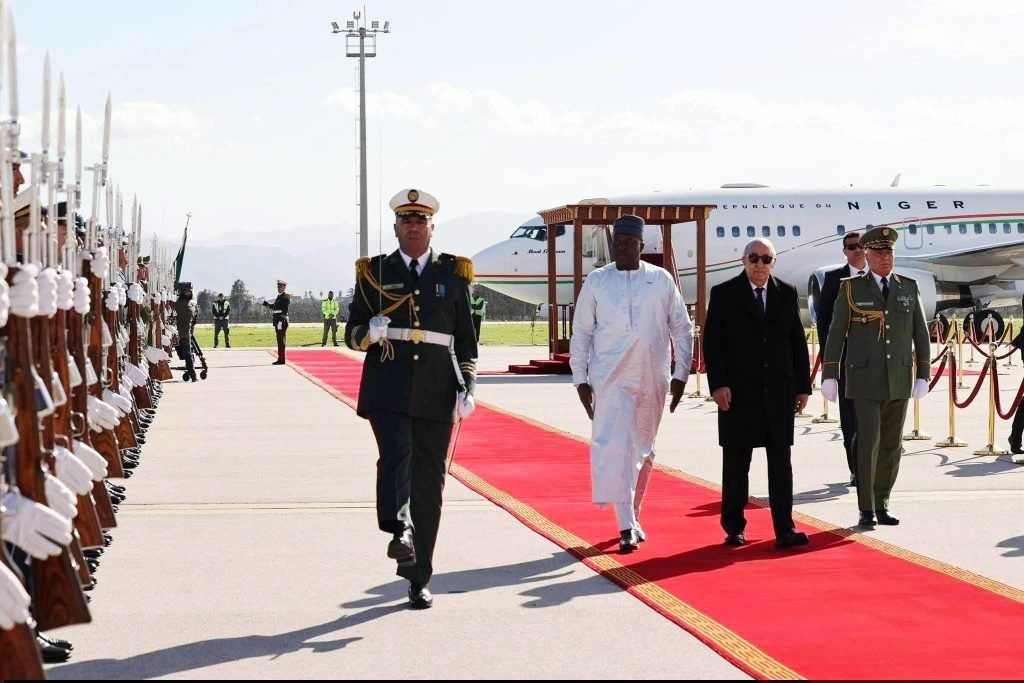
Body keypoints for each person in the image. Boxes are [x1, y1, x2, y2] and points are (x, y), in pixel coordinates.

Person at [344, 188, 477, 610]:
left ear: (432, 228)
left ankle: (419, 577)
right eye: (407, 221)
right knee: (397, 453)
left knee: (429, 484)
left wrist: (467, 386)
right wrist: (369, 334)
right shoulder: (374, 272)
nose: (414, 227)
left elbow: (466, 341)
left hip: (437, 388)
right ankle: (400, 528)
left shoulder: (453, 273)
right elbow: (351, 333)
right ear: (396, 228)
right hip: (388, 383)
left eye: (421, 221)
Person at [569, 214, 693, 552]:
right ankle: (625, 524)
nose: (622, 248)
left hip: (653, 376)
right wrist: (580, 379)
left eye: (628, 243)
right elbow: (581, 333)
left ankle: (633, 515)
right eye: (617, 243)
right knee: (619, 447)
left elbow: (681, 328)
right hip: (610, 379)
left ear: (641, 245)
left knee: (644, 448)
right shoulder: (598, 281)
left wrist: (681, 373)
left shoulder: (660, 280)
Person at [704, 237, 812, 548]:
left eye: (766, 259)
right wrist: (718, 385)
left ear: (773, 263)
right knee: (737, 464)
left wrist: (802, 387)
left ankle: (785, 529)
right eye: (754, 258)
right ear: (744, 261)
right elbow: (713, 345)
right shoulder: (724, 293)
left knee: (781, 463)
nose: (759, 265)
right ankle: (734, 527)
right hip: (738, 394)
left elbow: (797, 342)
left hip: (778, 393)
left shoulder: (786, 293)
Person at [821, 226, 930, 528]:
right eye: (879, 252)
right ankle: (866, 507)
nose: (885, 257)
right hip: (864, 379)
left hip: (899, 378)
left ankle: (882, 502)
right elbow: (836, 334)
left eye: (889, 251)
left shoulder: (908, 287)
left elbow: (921, 334)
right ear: (866, 255)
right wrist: (830, 374)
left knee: (892, 445)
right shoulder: (851, 288)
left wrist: (923, 373)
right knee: (868, 441)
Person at [815, 231, 867, 487]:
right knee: (850, 419)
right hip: (847, 362)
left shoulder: (879, 276)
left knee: (876, 420)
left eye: (861, 246)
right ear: (845, 252)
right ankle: (856, 469)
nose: (857, 250)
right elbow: (824, 323)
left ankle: (872, 468)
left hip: (876, 362)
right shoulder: (834, 279)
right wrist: (829, 367)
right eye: (852, 247)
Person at [262, 279, 290, 365]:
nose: (279, 288)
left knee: (281, 341)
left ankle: (282, 360)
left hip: (281, 321)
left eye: (280, 286)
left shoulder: (286, 296)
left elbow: (285, 310)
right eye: (278, 287)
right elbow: (275, 307)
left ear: (284, 287)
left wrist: (281, 321)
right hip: (277, 321)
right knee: (279, 340)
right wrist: (266, 304)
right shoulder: (279, 296)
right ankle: (280, 359)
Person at [174, 282, 198, 382]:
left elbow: (194, 319)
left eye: (189, 291)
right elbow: (195, 318)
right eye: (187, 291)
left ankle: (192, 375)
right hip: (180, 333)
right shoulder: (179, 303)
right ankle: (192, 374)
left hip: (183, 333)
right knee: (187, 354)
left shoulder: (178, 302)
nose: (189, 293)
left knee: (187, 354)